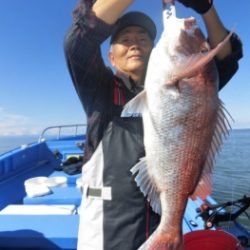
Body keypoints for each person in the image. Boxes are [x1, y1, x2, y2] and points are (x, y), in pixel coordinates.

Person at [64, 0, 243, 249]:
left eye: (143, 38)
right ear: (111, 58)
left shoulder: (193, 82)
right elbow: (79, 41)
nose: (135, 43)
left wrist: (206, 8)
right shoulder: (100, 91)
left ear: (154, 50)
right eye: (125, 39)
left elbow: (227, 57)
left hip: (165, 231)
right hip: (107, 238)